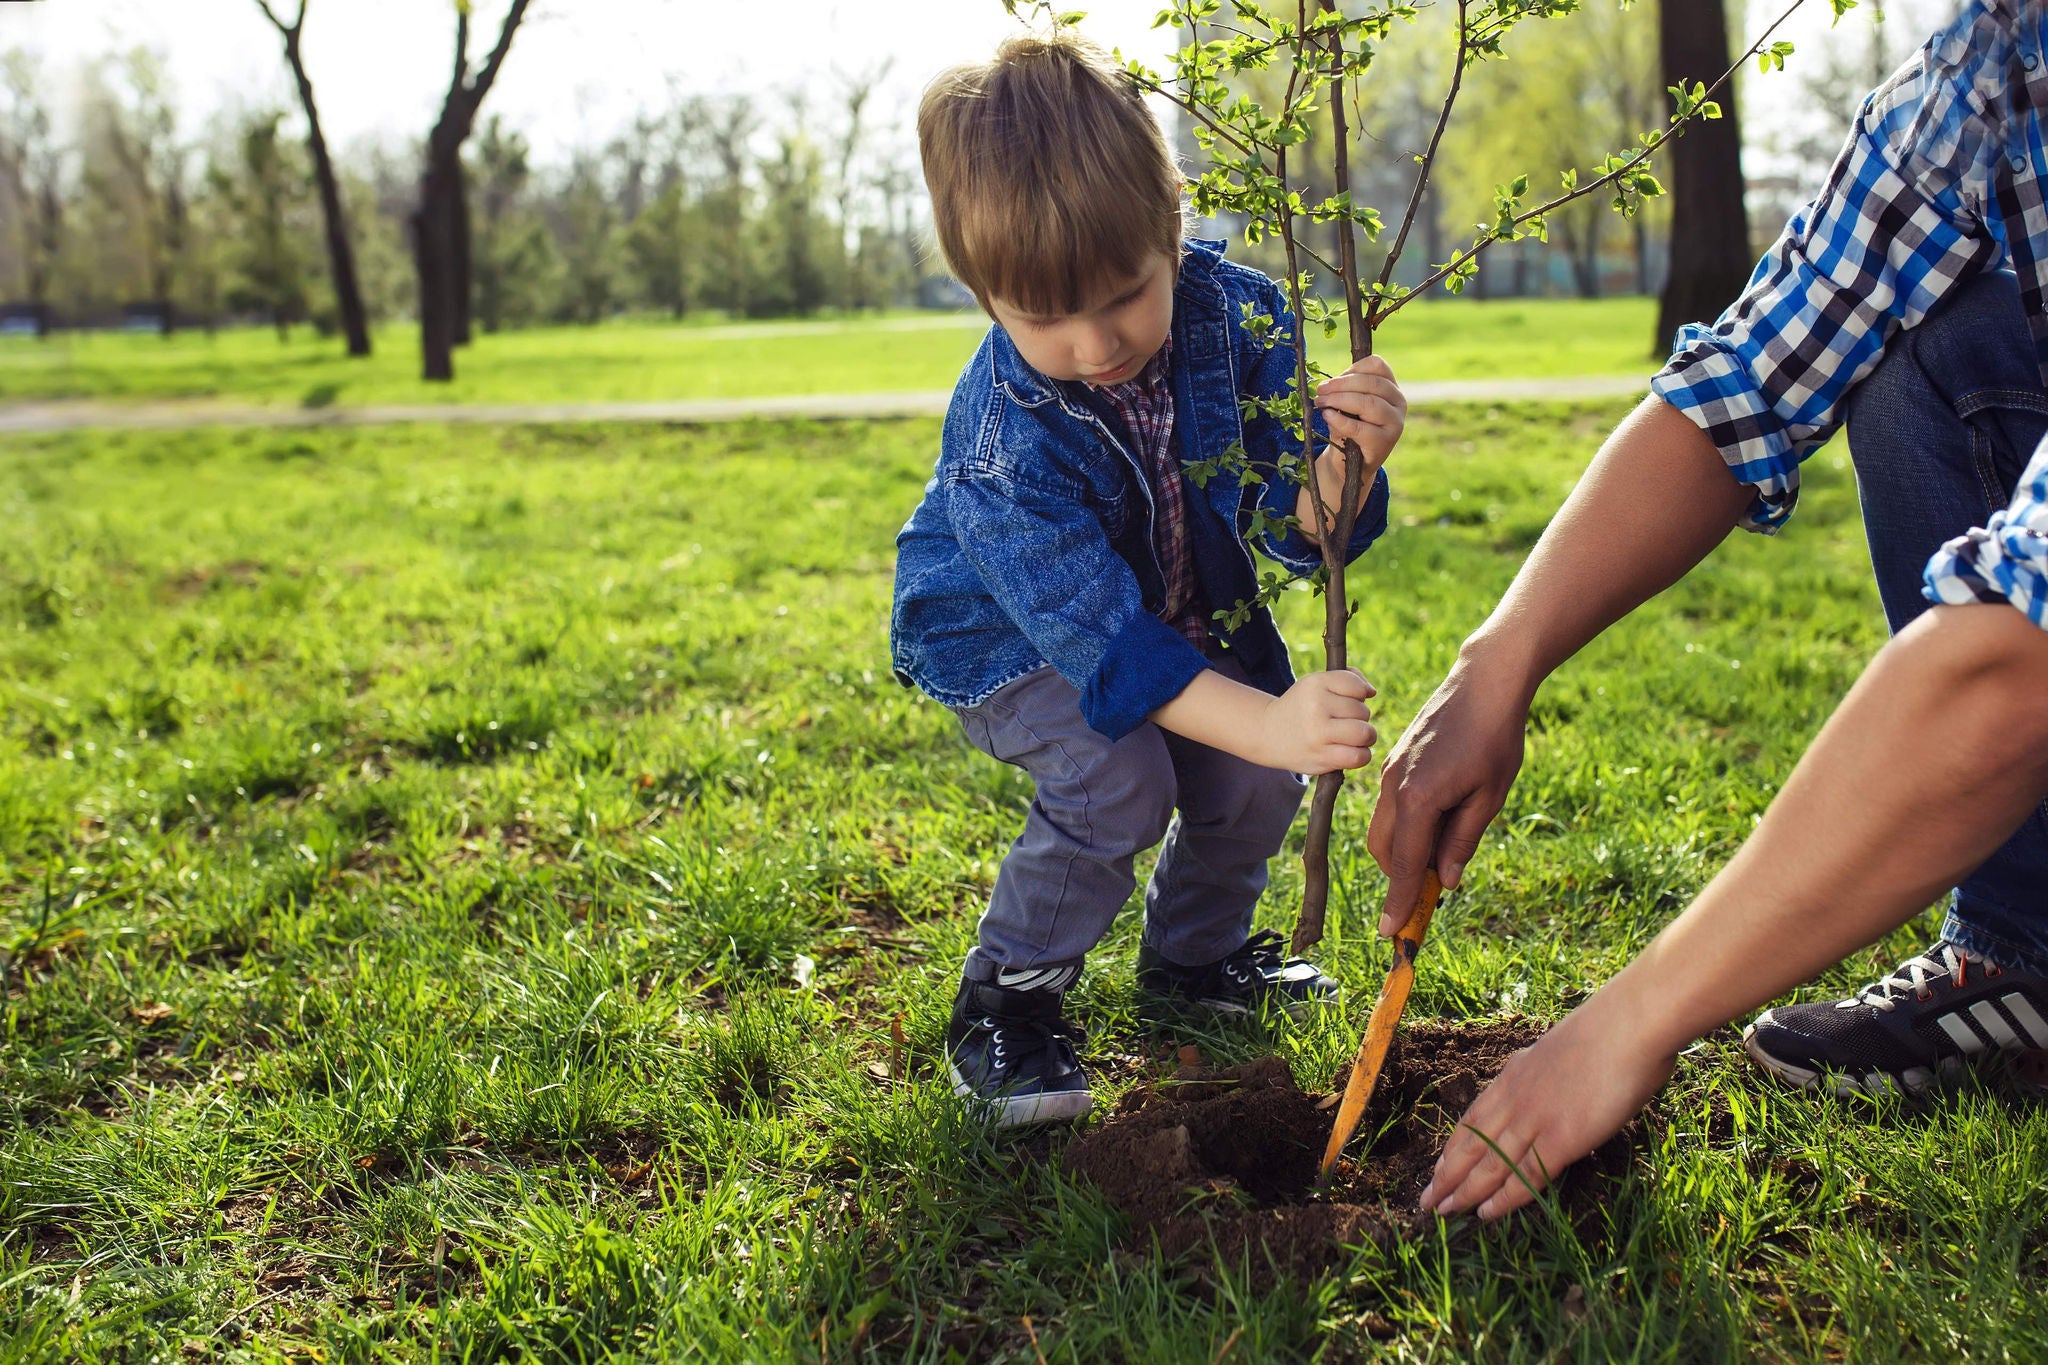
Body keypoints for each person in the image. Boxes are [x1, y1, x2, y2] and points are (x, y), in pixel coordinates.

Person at [1365, 0, 2048, 1215]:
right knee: (1920, 349)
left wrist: (1631, 1020)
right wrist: (1498, 661)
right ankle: (2021, 956)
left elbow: (2020, 654)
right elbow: (1755, 373)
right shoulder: (2000, 54)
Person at [891, 31, 1406, 1127]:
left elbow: (1291, 524)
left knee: (1252, 777)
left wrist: (1342, 467)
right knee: (1115, 776)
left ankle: (1194, 960)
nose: (1090, 344)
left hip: (1183, 603)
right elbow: (1102, 644)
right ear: (983, 297)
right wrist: (1266, 723)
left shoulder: (1244, 319)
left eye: (1124, 296)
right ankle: (1008, 1004)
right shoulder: (1002, 442)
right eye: (1041, 319)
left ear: (1171, 221)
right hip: (1020, 638)